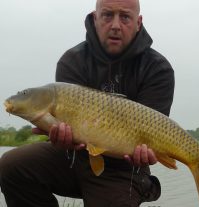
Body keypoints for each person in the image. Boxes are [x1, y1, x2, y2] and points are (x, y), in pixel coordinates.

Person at [0, 0, 175, 206]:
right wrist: (61, 137)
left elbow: (154, 135)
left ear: (138, 22)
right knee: (11, 166)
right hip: (71, 157)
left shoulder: (158, 69)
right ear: (95, 18)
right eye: (108, 15)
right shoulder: (72, 60)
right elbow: (65, 134)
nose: (116, 25)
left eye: (125, 17)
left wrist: (148, 154)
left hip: (123, 170)